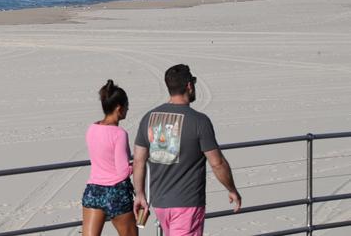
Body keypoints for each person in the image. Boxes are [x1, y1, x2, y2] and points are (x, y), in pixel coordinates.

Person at [132, 64, 241, 236]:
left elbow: (138, 160)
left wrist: (139, 194)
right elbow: (217, 163)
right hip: (187, 205)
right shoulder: (199, 121)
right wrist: (232, 189)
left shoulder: (148, 118)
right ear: (189, 86)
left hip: (160, 205)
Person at [82, 80, 137, 236]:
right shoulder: (119, 134)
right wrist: (137, 164)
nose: (128, 109)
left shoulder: (91, 129)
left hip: (93, 190)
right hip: (116, 192)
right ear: (119, 108)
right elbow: (122, 171)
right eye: (127, 106)